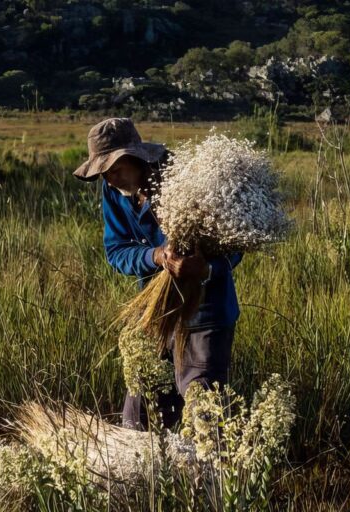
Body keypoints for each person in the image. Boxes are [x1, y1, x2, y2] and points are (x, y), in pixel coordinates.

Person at [73, 118, 242, 430]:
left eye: (115, 169)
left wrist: (205, 269)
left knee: (203, 415)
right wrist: (157, 256)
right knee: (141, 411)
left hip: (206, 315)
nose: (110, 180)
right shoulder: (114, 192)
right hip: (156, 314)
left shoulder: (187, 179)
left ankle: (208, 478)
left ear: (136, 158)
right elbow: (116, 251)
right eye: (104, 173)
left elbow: (234, 246)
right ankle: (149, 477)